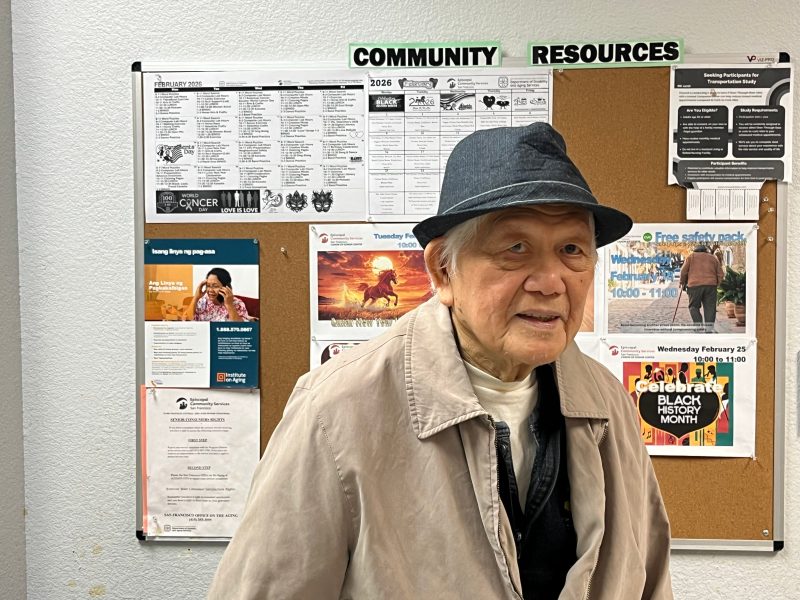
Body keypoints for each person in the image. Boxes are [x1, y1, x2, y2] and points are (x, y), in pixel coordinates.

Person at [208, 123, 672, 599]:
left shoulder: (605, 402)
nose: (551, 282)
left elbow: (650, 577)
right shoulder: (337, 411)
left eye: (572, 250)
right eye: (516, 249)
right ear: (442, 271)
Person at [679, 245, 723, 333]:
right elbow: (720, 273)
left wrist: (682, 282)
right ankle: (709, 329)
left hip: (694, 286)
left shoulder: (691, 257)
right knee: (710, 307)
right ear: (705, 250)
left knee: (693, 307)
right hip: (710, 285)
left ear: (695, 250)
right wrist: (717, 283)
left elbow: (683, 271)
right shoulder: (713, 258)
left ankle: (698, 326)